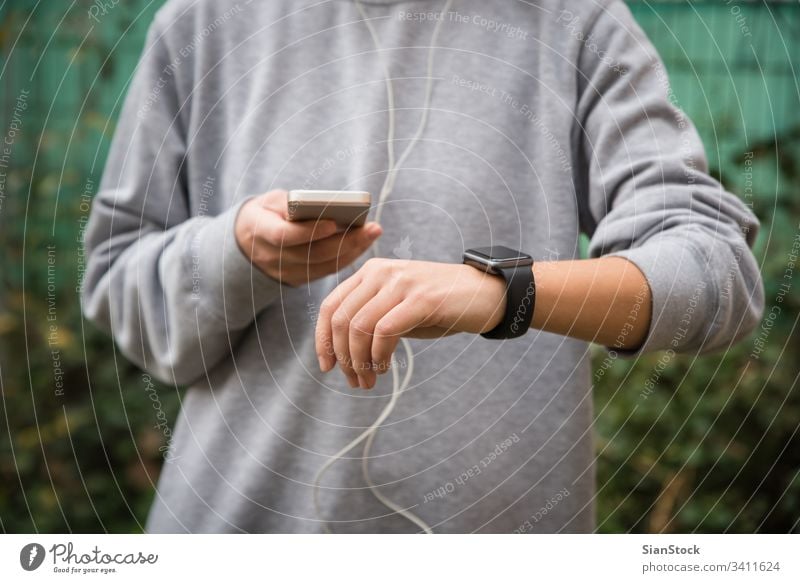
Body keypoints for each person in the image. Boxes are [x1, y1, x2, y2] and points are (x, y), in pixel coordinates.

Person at [81, 0, 764, 533]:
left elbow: (717, 273)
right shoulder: (200, 22)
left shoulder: (574, 20)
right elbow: (115, 280)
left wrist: (502, 293)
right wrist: (235, 254)